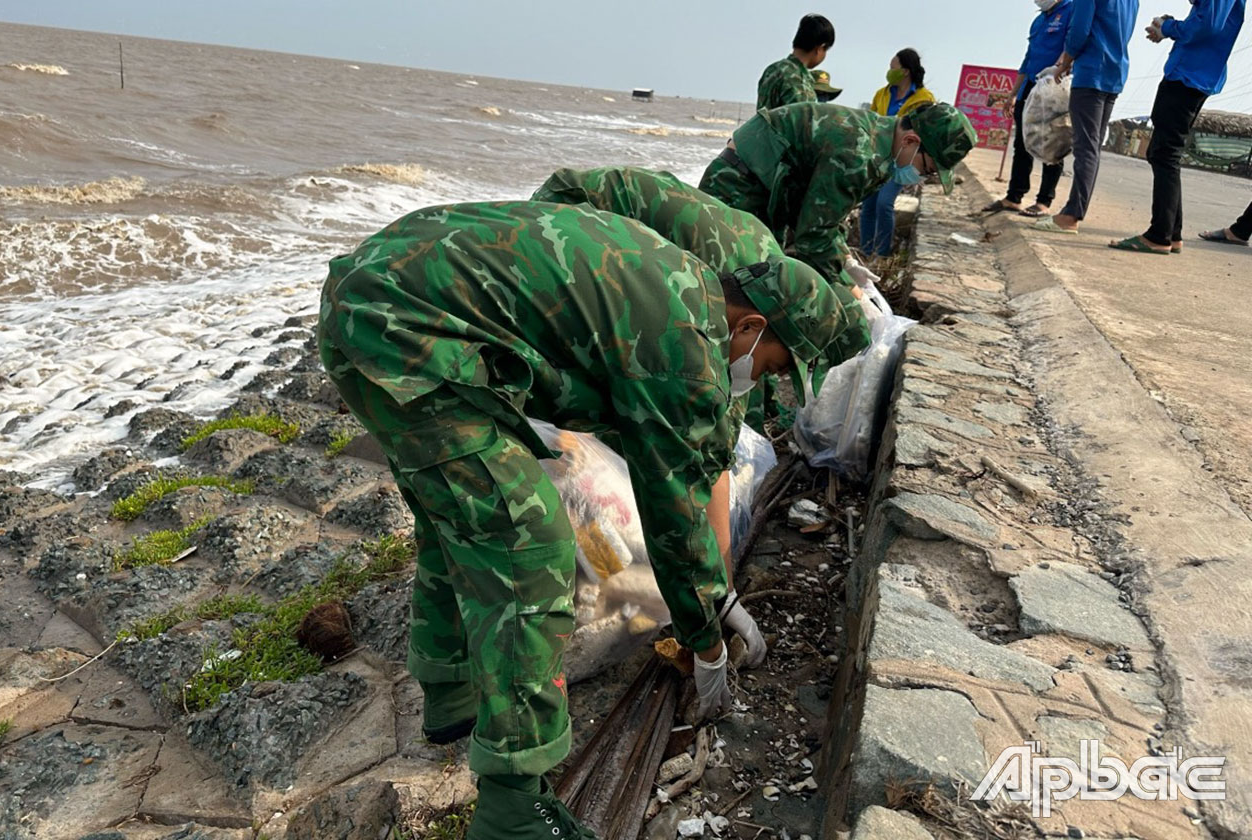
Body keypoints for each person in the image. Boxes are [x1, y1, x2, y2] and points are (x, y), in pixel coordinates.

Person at [317, 199, 866, 840]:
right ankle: (512, 809)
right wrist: (708, 636)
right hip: (406, 331)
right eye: (771, 364)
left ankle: (450, 692)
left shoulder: (677, 285)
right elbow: (674, 517)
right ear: (750, 326)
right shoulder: (682, 345)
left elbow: (680, 454)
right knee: (528, 546)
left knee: (462, 513)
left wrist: (717, 598)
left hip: (371, 298)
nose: (761, 380)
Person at [531, 165, 870, 434]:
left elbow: (747, 358)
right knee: (593, 364)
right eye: (781, 367)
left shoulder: (770, 276)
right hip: (570, 215)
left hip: (601, 226)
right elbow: (716, 381)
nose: (775, 376)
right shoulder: (728, 281)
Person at [698, 101, 978, 283]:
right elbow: (813, 237)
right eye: (927, 169)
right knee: (728, 285)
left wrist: (844, 259)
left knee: (764, 280)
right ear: (911, 140)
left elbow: (828, 216)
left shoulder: (881, 148)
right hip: (737, 186)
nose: (920, 178)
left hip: (771, 193)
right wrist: (851, 290)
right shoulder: (857, 155)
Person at [1108, 0, 1246, 254]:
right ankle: (1171, 233)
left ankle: (1158, 235)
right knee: (1165, 152)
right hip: (1195, 73)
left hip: (1188, 75)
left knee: (1164, 153)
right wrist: (1170, 27)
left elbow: (1206, 26)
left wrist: (1168, 27)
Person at [1033, 0, 1139, 234]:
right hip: (1115, 72)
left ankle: (1071, 215)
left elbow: (1079, 31)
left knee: (1085, 148)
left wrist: (1065, 62)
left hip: (1091, 71)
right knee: (1092, 148)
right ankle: (1073, 211)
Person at [984, 0, 1073, 217]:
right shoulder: (1039, 20)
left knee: (1054, 144)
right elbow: (1028, 59)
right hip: (1030, 87)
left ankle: (1044, 201)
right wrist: (1013, 93)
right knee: (1022, 142)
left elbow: (1072, 46)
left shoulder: (1072, 10)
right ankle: (1014, 197)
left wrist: (1058, 72)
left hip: (1055, 87)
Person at [858, 49, 937, 256]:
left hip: (902, 158)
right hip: (877, 157)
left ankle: (882, 253)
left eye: (893, 68)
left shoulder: (923, 99)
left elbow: (926, 131)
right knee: (868, 205)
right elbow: (871, 122)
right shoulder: (882, 94)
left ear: (905, 71)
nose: (889, 72)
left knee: (884, 203)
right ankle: (866, 252)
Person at [756, 13, 835, 110]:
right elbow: (805, 121)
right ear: (820, 48)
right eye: (825, 50)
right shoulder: (799, 80)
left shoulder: (773, 69)